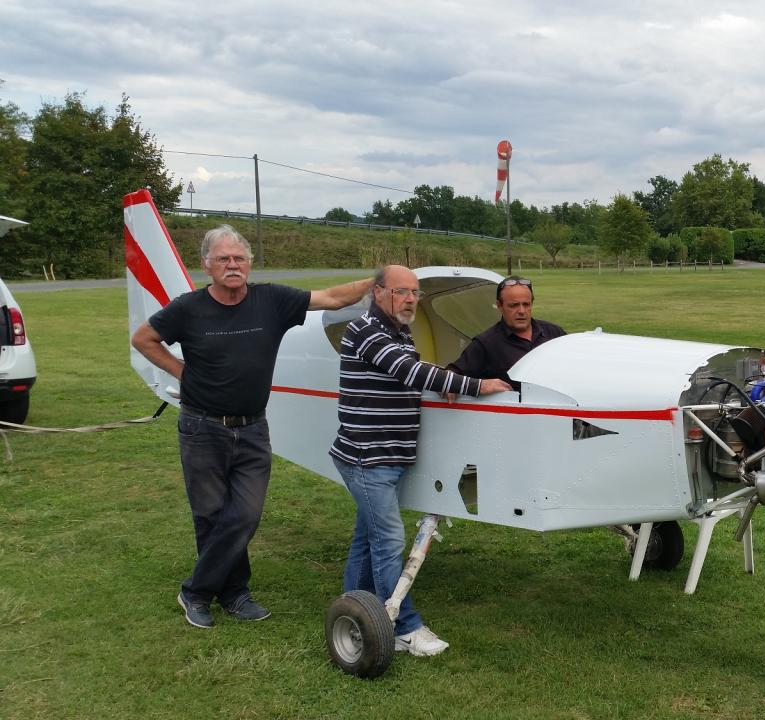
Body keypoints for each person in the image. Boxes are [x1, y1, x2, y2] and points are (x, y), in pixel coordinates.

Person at [131, 224, 374, 629]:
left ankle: (195, 590)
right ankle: (232, 593)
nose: (232, 265)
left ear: (249, 263)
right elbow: (144, 338)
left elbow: (332, 297)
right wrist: (181, 372)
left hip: (253, 428)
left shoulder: (272, 301)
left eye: (239, 258)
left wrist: (381, 279)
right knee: (210, 515)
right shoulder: (188, 308)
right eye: (223, 259)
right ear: (207, 265)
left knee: (244, 515)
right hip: (202, 427)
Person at [329, 265, 510, 657]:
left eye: (415, 293)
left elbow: (414, 374)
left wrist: (446, 380)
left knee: (368, 537)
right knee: (389, 540)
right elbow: (410, 371)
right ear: (378, 293)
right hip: (367, 456)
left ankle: (355, 604)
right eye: (401, 292)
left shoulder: (399, 331)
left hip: (388, 456)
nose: (410, 299)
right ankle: (402, 626)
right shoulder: (366, 331)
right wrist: (476, 385)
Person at [447, 275, 566, 390]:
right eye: (513, 305)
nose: (521, 311)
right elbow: (450, 376)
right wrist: (477, 385)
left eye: (526, 304)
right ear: (499, 306)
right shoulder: (486, 343)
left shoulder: (554, 333)